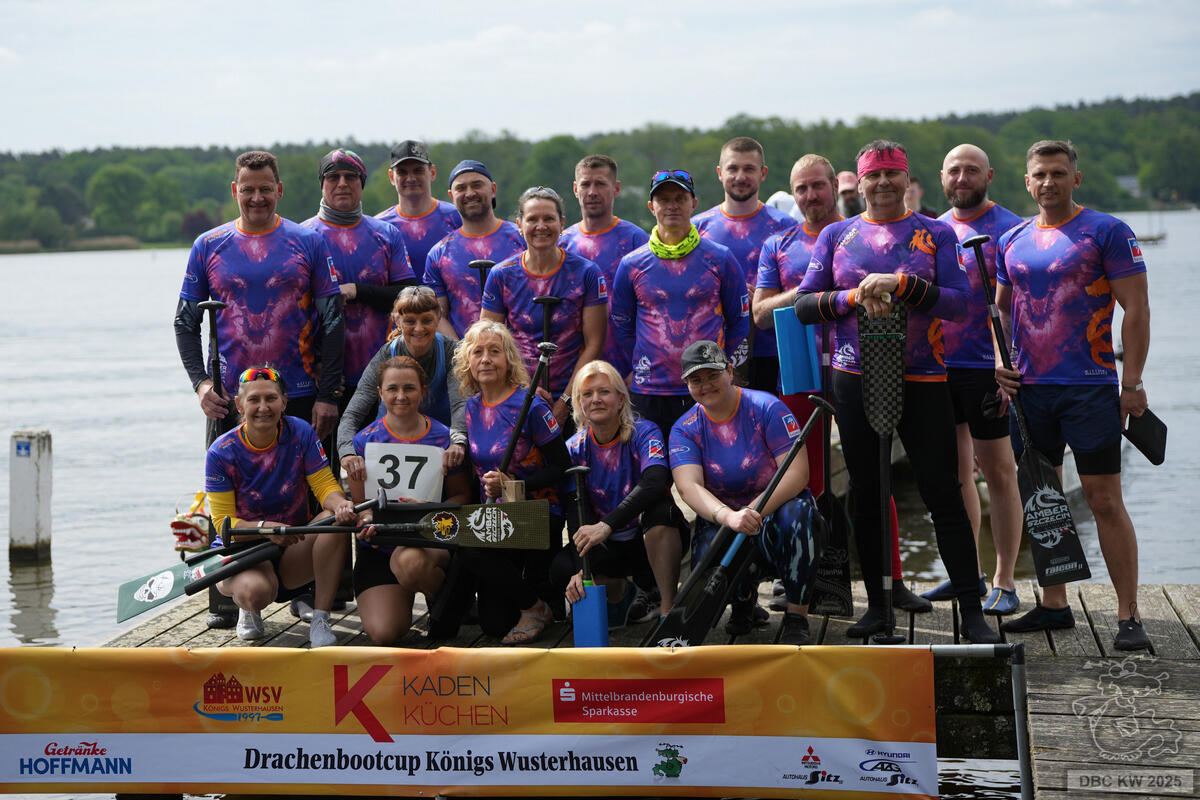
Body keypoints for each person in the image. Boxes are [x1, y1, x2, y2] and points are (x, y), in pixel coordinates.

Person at [796, 139, 1000, 644]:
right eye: (873, 175)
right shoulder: (837, 235)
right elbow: (803, 306)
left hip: (924, 378)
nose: (883, 182)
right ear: (860, 182)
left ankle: (971, 610)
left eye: (892, 173)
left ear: (907, 179)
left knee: (943, 492)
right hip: (854, 379)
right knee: (867, 493)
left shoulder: (936, 234)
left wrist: (902, 285)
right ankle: (878, 607)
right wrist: (854, 295)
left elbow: (959, 305)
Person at [995, 140, 1152, 651]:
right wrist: (1000, 361)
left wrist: (1132, 383)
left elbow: (1136, 309)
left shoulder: (1107, 231)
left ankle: (1128, 614)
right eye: (1039, 174)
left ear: (1075, 179)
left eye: (1058, 173)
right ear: (1027, 182)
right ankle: (1055, 604)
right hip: (1029, 392)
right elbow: (1002, 309)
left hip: (1089, 387)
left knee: (1104, 499)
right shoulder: (1011, 239)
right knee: (1043, 498)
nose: (1049, 182)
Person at [757, 154, 929, 614]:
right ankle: (807, 578)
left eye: (818, 185)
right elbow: (759, 313)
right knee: (806, 479)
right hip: (800, 369)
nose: (810, 195)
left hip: (861, 365)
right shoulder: (778, 244)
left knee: (874, 477)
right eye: (801, 188)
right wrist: (810, 290)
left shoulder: (860, 234)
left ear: (835, 186)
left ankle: (893, 579)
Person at [176, 149, 345, 444]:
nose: (257, 198)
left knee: (309, 476)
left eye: (265, 189)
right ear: (234, 191)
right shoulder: (207, 245)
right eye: (248, 190)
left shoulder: (309, 242)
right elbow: (185, 323)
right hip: (229, 399)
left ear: (279, 190)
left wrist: (328, 396)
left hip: (298, 394)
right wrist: (201, 384)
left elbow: (333, 321)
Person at [925, 143, 1025, 614]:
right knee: (955, 474)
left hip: (989, 368)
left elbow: (1022, 308)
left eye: (971, 170)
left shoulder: (1013, 229)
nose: (962, 178)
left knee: (999, 471)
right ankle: (968, 574)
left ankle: (1005, 580)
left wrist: (1012, 367)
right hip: (937, 366)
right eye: (954, 171)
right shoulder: (932, 231)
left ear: (990, 175)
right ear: (942, 177)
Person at [669, 340, 821, 645]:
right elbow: (688, 486)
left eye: (713, 375)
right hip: (727, 519)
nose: (706, 385)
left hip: (776, 511)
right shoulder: (684, 429)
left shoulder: (767, 408)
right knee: (707, 547)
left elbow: (797, 474)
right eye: (696, 380)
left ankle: (797, 616)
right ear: (687, 385)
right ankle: (743, 602)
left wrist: (753, 510)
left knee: (799, 514)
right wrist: (729, 517)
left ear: (729, 371)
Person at [206, 366, 356, 648]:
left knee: (334, 521)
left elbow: (324, 485)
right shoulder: (221, 452)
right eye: (254, 400)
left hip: (292, 544)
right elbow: (223, 524)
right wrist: (266, 529)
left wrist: (341, 504)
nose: (263, 407)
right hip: (244, 551)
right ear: (239, 405)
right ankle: (248, 608)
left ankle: (321, 618)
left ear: (284, 402)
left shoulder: (300, 432)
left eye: (271, 398)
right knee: (255, 592)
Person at [454, 320, 572, 644]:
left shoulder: (531, 406)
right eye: (477, 352)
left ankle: (535, 608)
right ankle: (533, 604)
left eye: (494, 351)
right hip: (497, 515)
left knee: (469, 547)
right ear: (468, 361)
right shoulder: (471, 407)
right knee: (494, 625)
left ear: (508, 359)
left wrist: (513, 482)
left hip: (537, 513)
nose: (486, 359)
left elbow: (562, 467)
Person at [610, 169, 749, 442]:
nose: (672, 206)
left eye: (680, 198)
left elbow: (739, 322)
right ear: (651, 207)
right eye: (663, 200)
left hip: (707, 389)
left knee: (707, 466)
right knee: (653, 467)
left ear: (693, 203)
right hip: (650, 391)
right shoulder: (631, 264)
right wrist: (643, 364)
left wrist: (715, 366)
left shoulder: (720, 258)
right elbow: (622, 328)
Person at [553, 361, 688, 628]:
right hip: (608, 548)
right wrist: (582, 569)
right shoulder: (573, 447)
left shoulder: (645, 431)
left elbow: (656, 481)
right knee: (561, 568)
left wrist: (606, 525)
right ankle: (621, 592)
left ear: (621, 399)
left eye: (604, 391)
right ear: (579, 404)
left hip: (647, 538)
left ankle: (667, 608)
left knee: (661, 511)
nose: (596, 399)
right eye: (587, 394)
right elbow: (576, 510)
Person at [346, 356, 471, 645]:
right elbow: (360, 506)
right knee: (384, 632)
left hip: (429, 542)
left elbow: (463, 496)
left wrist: (428, 510)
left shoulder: (444, 438)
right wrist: (364, 520)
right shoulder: (363, 442)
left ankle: (446, 600)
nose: (401, 396)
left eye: (409, 388)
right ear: (380, 393)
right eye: (392, 388)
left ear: (423, 392)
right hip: (380, 547)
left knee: (409, 561)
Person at [302, 148, 417, 418]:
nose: (342, 183)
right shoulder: (302, 237)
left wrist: (357, 291)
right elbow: (291, 314)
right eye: (333, 177)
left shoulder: (386, 234)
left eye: (351, 177)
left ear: (362, 183)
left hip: (382, 374)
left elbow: (410, 296)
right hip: (322, 379)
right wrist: (313, 366)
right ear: (322, 184)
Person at [481, 186, 607, 429]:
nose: (541, 226)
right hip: (517, 394)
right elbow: (489, 343)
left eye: (549, 218)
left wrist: (565, 403)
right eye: (532, 219)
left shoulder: (587, 273)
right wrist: (524, 390)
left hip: (575, 396)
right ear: (519, 225)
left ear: (562, 223)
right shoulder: (501, 275)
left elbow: (594, 344)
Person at [693, 137, 799, 392]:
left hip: (773, 350)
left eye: (749, 168)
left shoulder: (786, 227)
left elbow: (798, 289)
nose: (740, 176)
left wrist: (763, 297)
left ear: (763, 173)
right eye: (733, 168)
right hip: (713, 352)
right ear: (720, 173)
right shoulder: (697, 228)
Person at [338, 285, 468, 487]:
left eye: (426, 320)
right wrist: (347, 452)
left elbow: (460, 403)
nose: (419, 328)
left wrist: (458, 441)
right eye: (410, 321)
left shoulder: (452, 351)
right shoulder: (384, 355)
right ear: (397, 321)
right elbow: (353, 413)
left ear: (438, 317)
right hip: (389, 444)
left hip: (438, 445)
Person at [560, 154, 649, 372]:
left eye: (600, 184)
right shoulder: (562, 243)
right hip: (573, 368)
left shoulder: (636, 240)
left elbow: (652, 310)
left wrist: (638, 370)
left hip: (628, 366)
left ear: (616, 188)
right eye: (585, 184)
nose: (592, 192)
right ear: (575, 189)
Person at [423, 160, 524, 338]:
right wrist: (463, 351)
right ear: (451, 196)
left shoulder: (523, 239)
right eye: (461, 188)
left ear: (493, 189)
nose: (470, 193)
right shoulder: (439, 254)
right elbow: (438, 316)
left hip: (521, 352)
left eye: (477, 185)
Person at [375, 140, 463, 276]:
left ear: (432, 172)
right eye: (402, 172)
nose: (411, 178)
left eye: (418, 171)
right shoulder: (379, 227)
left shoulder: (457, 218)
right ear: (392, 177)